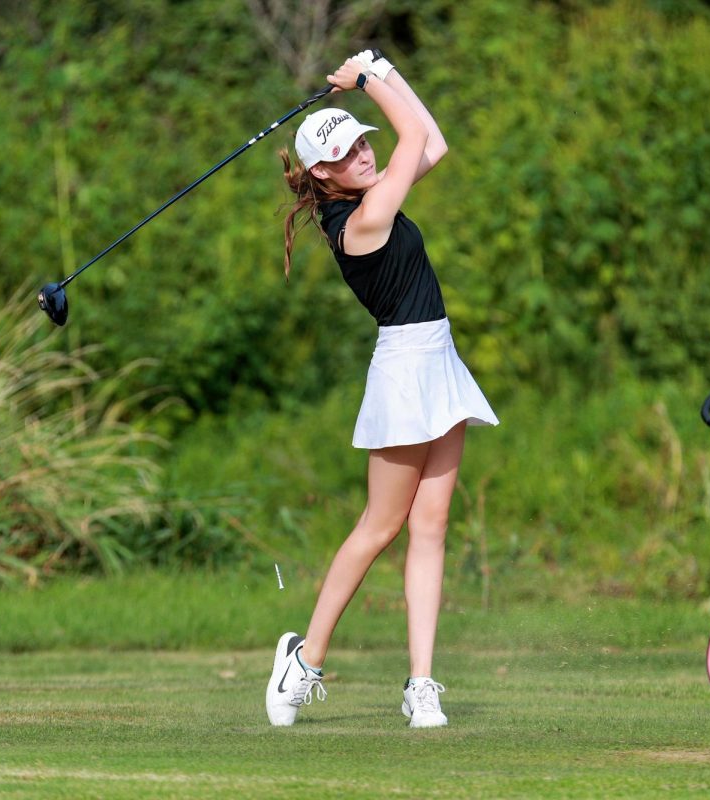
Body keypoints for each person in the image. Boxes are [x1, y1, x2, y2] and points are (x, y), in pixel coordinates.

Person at [264, 50, 498, 728]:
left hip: (440, 362)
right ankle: (304, 662)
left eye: (364, 140)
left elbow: (435, 141)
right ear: (321, 174)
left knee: (432, 527)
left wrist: (384, 68)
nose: (364, 153)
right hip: (403, 371)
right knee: (380, 527)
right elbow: (417, 138)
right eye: (346, 150)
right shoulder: (358, 225)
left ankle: (420, 686)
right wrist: (367, 81)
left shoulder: (373, 197)